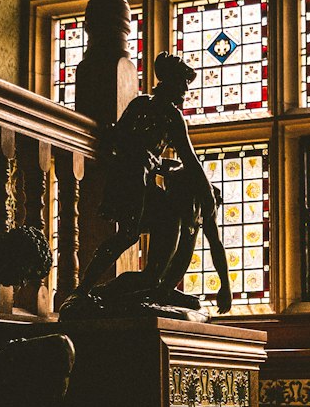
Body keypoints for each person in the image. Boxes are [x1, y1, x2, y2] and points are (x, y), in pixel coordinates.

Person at [62, 52, 233, 315]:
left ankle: (147, 287)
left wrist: (157, 164)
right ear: (170, 85)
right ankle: (83, 290)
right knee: (128, 235)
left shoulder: (147, 106)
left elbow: (178, 161)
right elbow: (186, 157)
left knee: (155, 226)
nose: (184, 95)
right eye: (182, 88)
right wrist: (205, 192)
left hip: (143, 179)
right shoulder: (159, 112)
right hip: (130, 179)